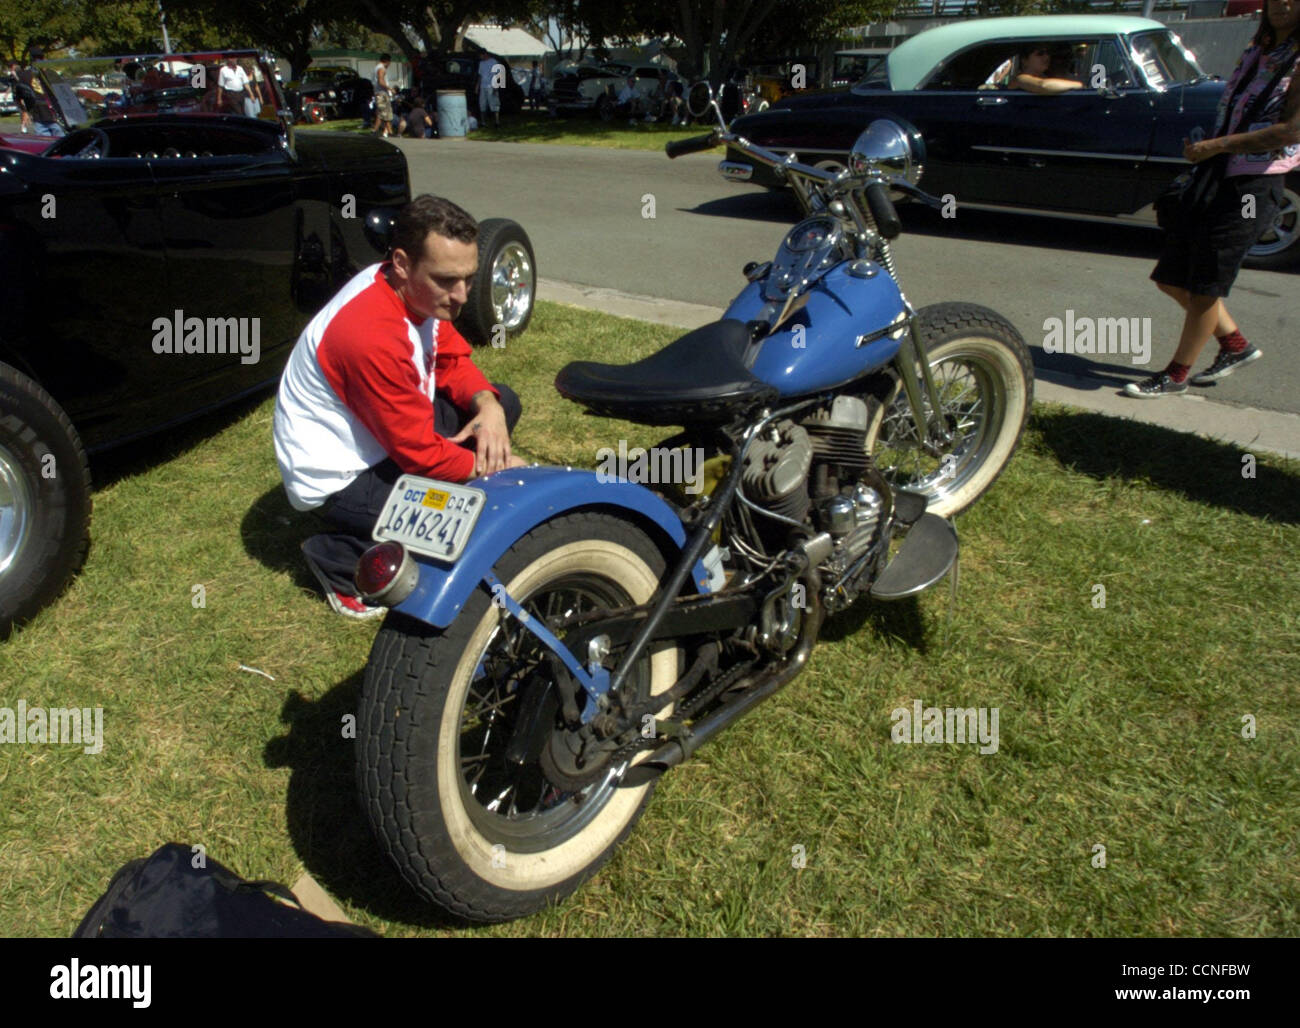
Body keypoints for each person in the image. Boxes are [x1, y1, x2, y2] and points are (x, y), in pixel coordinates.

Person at [274, 195, 526, 618]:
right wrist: (492, 468)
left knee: (504, 403)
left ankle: (395, 522)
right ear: (403, 263)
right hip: (341, 478)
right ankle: (338, 557)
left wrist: (489, 408)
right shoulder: (368, 333)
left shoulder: (411, 291)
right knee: (468, 513)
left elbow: (450, 359)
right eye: (447, 280)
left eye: (468, 277)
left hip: (385, 438)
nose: (462, 296)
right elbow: (420, 454)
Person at [1130, 0, 1300, 397]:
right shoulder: (1258, 51)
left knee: (1207, 286)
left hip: (1255, 184)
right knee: (1171, 278)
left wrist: (1218, 145)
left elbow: (1291, 131)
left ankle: (1176, 375)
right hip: (1216, 174)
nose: (1283, 4)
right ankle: (1236, 345)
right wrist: (1204, 146)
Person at [11, 50, 65, 137]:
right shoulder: (25, 75)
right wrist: (24, 111)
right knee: (49, 143)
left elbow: (63, 93)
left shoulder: (50, 74)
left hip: (54, 115)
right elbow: (18, 96)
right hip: (39, 116)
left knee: (58, 142)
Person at [1008, 44, 1082, 94]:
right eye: (1040, 54)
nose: (1046, 57)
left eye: (1048, 53)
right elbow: (1044, 85)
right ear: (1024, 61)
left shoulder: (1046, 76)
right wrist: (1080, 85)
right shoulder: (1020, 79)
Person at [477, 52, 501, 128]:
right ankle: (483, 122)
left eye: (481, 55)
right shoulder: (481, 63)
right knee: (482, 104)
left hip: (491, 86)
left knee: (494, 104)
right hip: (483, 86)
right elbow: (480, 75)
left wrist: (496, 85)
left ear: (485, 54)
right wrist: (477, 86)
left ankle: (496, 122)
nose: (480, 57)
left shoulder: (494, 62)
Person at [372, 53, 394, 137]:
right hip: (381, 93)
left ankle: (390, 132)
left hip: (378, 93)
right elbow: (381, 81)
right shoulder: (381, 68)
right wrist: (390, 88)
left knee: (386, 113)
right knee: (382, 113)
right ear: (387, 61)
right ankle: (374, 130)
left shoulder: (376, 67)